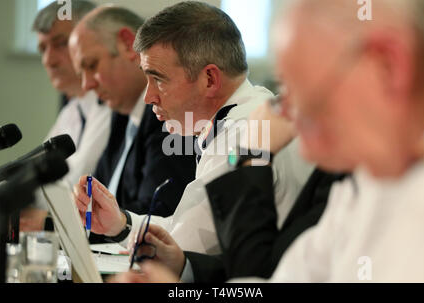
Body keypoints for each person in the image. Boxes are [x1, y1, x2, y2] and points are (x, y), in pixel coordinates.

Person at [113, 0, 424, 283]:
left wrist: (249, 154)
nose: (305, 147)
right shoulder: (365, 182)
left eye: (311, 102)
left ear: (390, 66)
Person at [74, 1, 314, 254]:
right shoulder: (248, 110)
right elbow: (185, 228)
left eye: (158, 79)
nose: (148, 97)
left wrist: (123, 228)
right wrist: (121, 225)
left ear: (209, 79)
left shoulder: (240, 133)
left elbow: (185, 249)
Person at [69, 6, 197, 243]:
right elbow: (98, 200)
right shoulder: (120, 114)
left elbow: (159, 209)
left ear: (128, 44)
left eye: (92, 65)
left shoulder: (169, 116)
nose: (86, 85)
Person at [20, 0, 112, 231]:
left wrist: (43, 219)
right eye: (42, 49)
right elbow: (38, 184)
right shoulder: (71, 111)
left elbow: (76, 185)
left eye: (60, 44)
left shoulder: (113, 105)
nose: (49, 60)